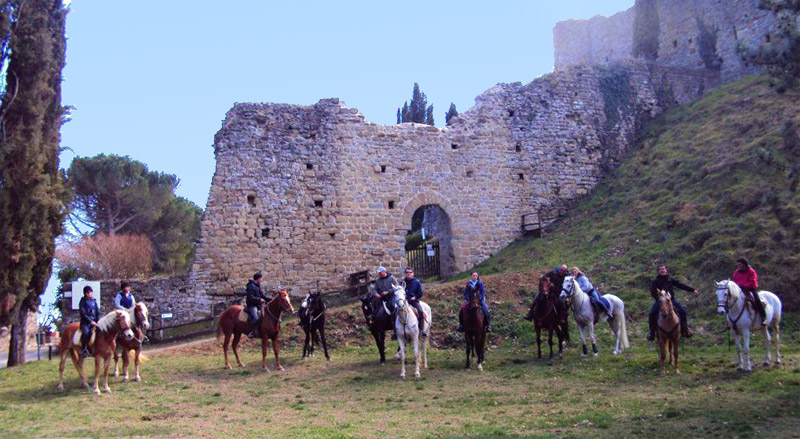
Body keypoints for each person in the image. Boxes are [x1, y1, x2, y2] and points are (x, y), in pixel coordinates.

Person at [647, 265, 699, 341]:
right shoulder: (655, 281)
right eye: (661, 269)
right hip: (660, 301)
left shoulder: (670, 279)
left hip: (671, 300)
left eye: (664, 269)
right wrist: (659, 299)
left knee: (683, 311)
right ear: (658, 271)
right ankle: (652, 333)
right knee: (651, 314)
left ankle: (685, 330)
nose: (662, 270)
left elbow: (681, 285)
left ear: (666, 270)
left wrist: (692, 290)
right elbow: (652, 292)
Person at [732, 257, 765, 326]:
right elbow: (734, 281)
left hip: (750, 289)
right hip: (739, 290)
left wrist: (743, 285)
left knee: (757, 299)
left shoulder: (751, 271)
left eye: (740, 264)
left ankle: (763, 317)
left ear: (744, 264)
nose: (738, 266)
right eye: (738, 265)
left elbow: (752, 282)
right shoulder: (736, 272)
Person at [373, 266, 398, 338]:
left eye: (380, 272)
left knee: (393, 308)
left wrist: (387, 292)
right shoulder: (378, 281)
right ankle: (375, 324)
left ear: (384, 272)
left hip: (391, 297)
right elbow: (374, 289)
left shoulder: (392, 278)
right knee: (375, 308)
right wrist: (376, 294)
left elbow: (396, 288)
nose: (379, 274)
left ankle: (395, 328)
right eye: (379, 273)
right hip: (381, 298)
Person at [401, 267, 426, 337]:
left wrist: (415, 297)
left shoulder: (417, 282)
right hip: (404, 302)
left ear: (413, 273)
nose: (409, 274)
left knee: (420, 311)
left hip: (414, 302)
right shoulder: (402, 282)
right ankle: (395, 332)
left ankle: (422, 330)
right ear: (405, 274)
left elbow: (420, 292)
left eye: (410, 272)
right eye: (407, 272)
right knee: (394, 312)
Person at [245, 272, 270, 339]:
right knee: (256, 319)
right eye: (261, 278)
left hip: (259, 305)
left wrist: (271, 300)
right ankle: (250, 332)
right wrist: (259, 299)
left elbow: (262, 296)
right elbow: (250, 297)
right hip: (252, 305)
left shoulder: (257, 285)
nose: (262, 279)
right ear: (258, 279)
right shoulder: (250, 286)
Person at [79, 285, 100, 358]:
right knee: (86, 332)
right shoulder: (82, 301)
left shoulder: (94, 301)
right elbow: (83, 313)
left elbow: (97, 312)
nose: (90, 294)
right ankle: (84, 349)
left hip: (94, 322)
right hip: (85, 322)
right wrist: (90, 321)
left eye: (91, 292)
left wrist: (98, 321)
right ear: (85, 293)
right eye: (88, 292)